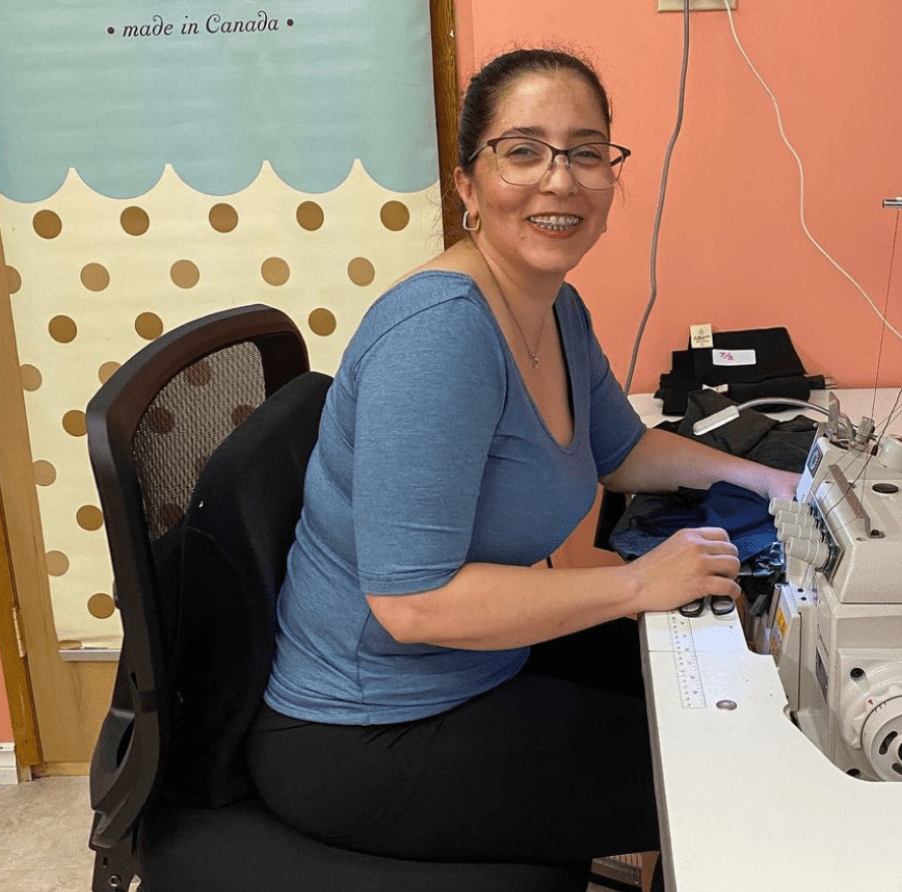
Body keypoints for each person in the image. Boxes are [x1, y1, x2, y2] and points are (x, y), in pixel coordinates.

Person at [247, 47, 800, 883]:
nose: (559, 180)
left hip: (478, 663)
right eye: (523, 151)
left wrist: (769, 481)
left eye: (586, 152)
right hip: (368, 731)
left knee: (755, 708)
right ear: (468, 183)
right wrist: (637, 584)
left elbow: (623, 451)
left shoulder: (553, 305)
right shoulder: (440, 338)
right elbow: (411, 603)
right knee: (731, 775)